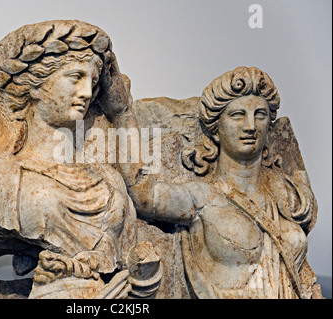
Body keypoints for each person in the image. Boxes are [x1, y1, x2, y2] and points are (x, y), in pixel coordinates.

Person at [0, 20, 160, 299]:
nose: (87, 92)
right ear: (36, 84)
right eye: (75, 77)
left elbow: (143, 200)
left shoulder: (106, 179)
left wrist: (122, 113)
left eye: (93, 82)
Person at [136, 66, 321, 298]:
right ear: (215, 130)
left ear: (269, 128)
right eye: (238, 115)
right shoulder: (200, 197)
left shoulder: (287, 193)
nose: (251, 126)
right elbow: (145, 197)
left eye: (260, 115)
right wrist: (120, 113)